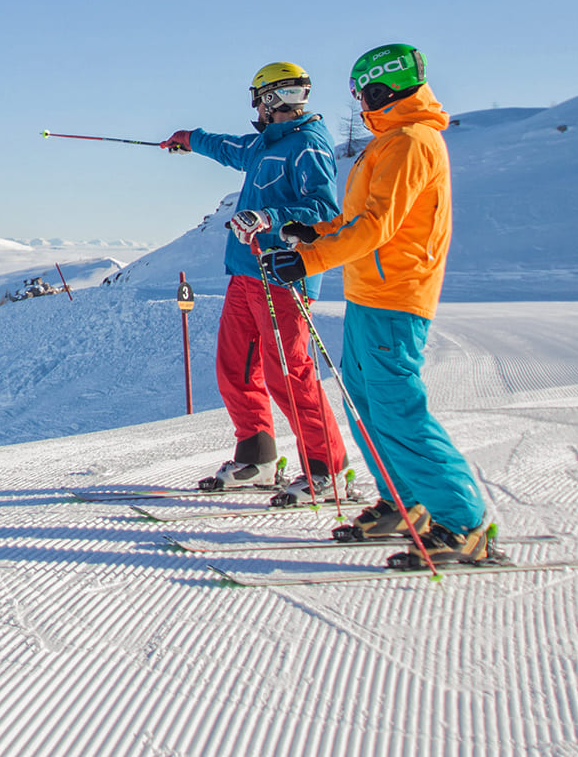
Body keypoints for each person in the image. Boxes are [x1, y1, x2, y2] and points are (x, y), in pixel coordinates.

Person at [261, 44, 494, 568]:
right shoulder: (392, 140)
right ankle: (403, 502)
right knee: (365, 403)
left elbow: (377, 225)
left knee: (397, 408)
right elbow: (358, 217)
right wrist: (311, 233)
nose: (359, 101)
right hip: (370, 293)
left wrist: (310, 260)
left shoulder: (411, 142)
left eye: (360, 90)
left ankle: (463, 522)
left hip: (397, 296)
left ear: (380, 87)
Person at [163, 62, 347, 500]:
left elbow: (322, 210)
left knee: (289, 373)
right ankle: (257, 459)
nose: (255, 107)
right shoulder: (269, 143)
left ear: (270, 98)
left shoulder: (308, 145)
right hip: (246, 273)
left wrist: (269, 216)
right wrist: (190, 139)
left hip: (283, 276)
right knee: (236, 370)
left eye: (256, 98)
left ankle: (327, 471)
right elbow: (231, 148)